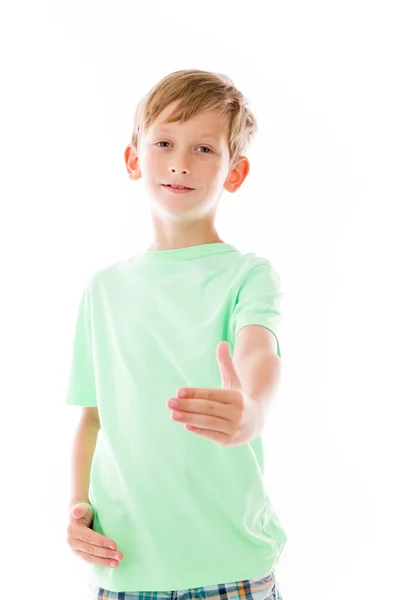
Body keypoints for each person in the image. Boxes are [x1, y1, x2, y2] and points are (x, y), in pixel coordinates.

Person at [66, 69, 286, 600]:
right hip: (125, 567)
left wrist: (252, 409)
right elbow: (93, 418)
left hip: (231, 567)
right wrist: (78, 508)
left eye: (205, 149)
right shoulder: (103, 288)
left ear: (235, 172)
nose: (181, 162)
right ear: (133, 158)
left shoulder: (248, 275)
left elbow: (259, 351)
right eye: (163, 142)